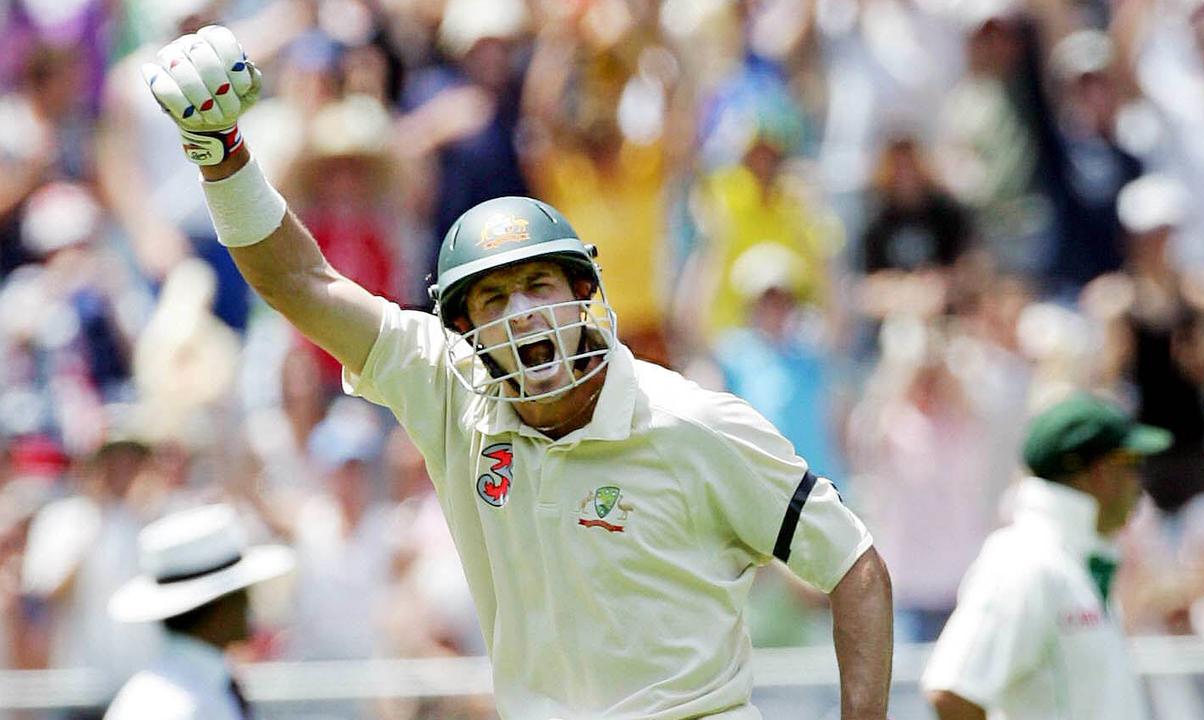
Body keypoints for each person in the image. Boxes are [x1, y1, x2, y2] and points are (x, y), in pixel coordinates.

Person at [141, 25, 893, 720]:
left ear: (585, 296)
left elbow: (855, 567)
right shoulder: (449, 391)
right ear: (464, 330)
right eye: (494, 297)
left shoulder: (694, 422)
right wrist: (224, 152)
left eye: (540, 286)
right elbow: (301, 284)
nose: (524, 314)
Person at [921, 392, 1173, 720]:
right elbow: (952, 692)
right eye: (1132, 465)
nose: (1139, 484)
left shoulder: (1070, 561)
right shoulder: (1025, 561)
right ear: (1099, 473)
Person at [103, 504, 295, 720]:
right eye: (239, 593)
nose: (248, 604)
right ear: (217, 607)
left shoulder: (195, 688)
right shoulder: (176, 705)